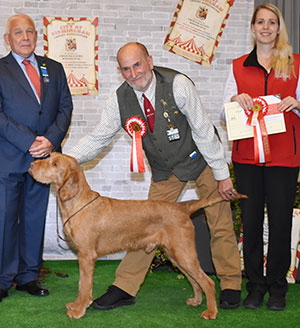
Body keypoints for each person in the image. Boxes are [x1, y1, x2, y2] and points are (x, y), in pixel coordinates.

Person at [68, 42, 242, 310]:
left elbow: (203, 130)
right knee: (143, 226)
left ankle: (230, 284)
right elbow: (98, 137)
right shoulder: (119, 99)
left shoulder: (178, 84)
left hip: (202, 159)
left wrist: (222, 174)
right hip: (165, 168)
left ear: (149, 60)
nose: (133, 73)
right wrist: (67, 159)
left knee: (220, 223)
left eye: (137, 65)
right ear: (120, 71)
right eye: (126, 69)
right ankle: (124, 287)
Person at [222, 3, 300, 311]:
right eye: (260, 22)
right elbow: (223, 113)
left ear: (279, 28)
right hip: (247, 158)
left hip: (284, 157)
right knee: (251, 223)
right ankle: (254, 286)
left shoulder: (295, 63)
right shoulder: (238, 65)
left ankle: (277, 288)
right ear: (253, 28)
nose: (266, 27)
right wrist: (234, 99)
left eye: (271, 22)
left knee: (280, 223)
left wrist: (296, 102)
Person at [0, 14, 73, 302]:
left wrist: (50, 140)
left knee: (33, 218)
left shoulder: (53, 68)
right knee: (5, 219)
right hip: (8, 157)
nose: (25, 37)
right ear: (8, 39)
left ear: (36, 35)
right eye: (18, 32)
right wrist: (29, 141)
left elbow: (65, 107)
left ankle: (29, 275)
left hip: (44, 161)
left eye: (30, 31)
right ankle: (3, 278)